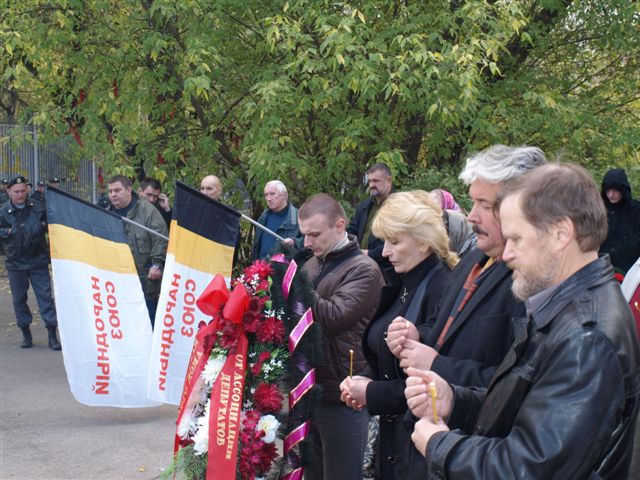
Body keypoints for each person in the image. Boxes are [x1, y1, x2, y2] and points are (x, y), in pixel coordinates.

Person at [405, 163, 640, 479]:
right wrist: (455, 400)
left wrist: (440, 446)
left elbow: (530, 468)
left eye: (516, 239)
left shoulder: (587, 337)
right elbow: (525, 408)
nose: (506, 254)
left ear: (560, 234)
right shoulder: (563, 309)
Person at [386, 145, 547, 475]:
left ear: (523, 207)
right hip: (428, 442)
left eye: (484, 205)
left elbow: (518, 385)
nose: (471, 216)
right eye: (473, 202)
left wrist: (437, 364)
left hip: (475, 454)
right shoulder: (472, 260)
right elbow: (440, 327)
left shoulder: (532, 280)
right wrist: (416, 335)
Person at [339, 191, 456, 480]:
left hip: (419, 449)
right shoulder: (402, 281)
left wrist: (371, 393)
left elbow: (435, 381)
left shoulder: (442, 288)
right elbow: (383, 353)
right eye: (384, 242)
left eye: (394, 242)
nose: (385, 252)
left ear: (424, 242)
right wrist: (364, 379)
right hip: (393, 444)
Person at [296, 193, 384, 480]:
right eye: (304, 235)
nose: (307, 243)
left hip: (344, 396)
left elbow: (333, 319)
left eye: (314, 235)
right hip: (311, 390)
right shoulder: (312, 263)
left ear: (340, 226)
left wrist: (297, 284)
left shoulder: (364, 269)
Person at [0, 176, 61, 350]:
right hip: (15, 262)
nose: (20, 194)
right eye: (16, 191)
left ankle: (52, 334)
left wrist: (43, 224)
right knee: (19, 300)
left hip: (37, 260)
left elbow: (53, 224)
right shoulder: (3, 211)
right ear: (9, 191)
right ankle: (25, 333)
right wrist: (7, 232)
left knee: (45, 298)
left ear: (27, 190)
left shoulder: (38, 207)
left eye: (23, 190)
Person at [107, 175, 168, 326]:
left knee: (147, 322)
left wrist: (156, 264)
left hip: (144, 278)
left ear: (129, 190)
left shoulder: (146, 210)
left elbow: (160, 237)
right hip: (116, 279)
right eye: (110, 191)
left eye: (117, 190)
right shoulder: (106, 212)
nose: (113, 194)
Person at [347, 163, 396, 282]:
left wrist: (370, 254)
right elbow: (351, 231)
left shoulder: (399, 206)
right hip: (360, 266)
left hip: (387, 272)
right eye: (369, 181)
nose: (371, 185)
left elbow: (397, 239)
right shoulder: (364, 206)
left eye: (376, 181)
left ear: (388, 181)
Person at [599, 168, 640, 274]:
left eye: (615, 190)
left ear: (623, 189)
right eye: (608, 190)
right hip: (602, 268)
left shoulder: (636, 210)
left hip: (630, 270)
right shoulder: (600, 210)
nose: (611, 194)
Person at [251, 180, 301, 260]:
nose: (269, 198)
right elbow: (256, 248)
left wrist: (295, 242)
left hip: (285, 267)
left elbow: (309, 244)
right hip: (261, 266)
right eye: (266, 195)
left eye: (272, 194)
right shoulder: (263, 217)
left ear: (284, 195)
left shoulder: (298, 218)